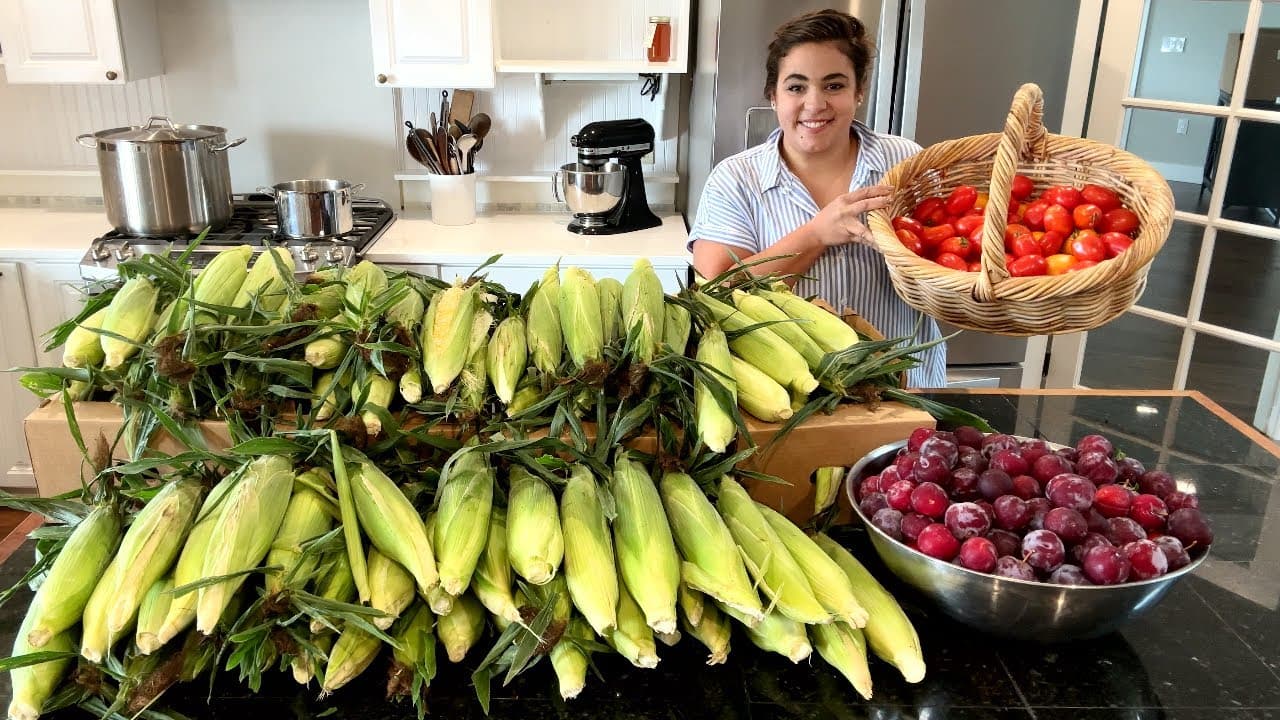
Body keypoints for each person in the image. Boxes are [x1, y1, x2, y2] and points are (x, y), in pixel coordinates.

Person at [688, 8, 946, 388]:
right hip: (792, 398)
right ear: (773, 96)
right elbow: (713, 296)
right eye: (796, 86)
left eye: (834, 85)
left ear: (858, 92)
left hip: (905, 392)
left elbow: (948, 265)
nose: (815, 103)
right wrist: (815, 234)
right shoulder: (736, 179)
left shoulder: (903, 162)